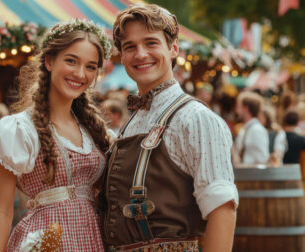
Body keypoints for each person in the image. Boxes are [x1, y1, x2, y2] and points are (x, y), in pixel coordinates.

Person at [102, 4, 238, 251]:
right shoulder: (133, 119)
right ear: (121, 56)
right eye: (130, 46)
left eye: (151, 43)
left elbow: (222, 210)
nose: (140, 54)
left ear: (173, 48)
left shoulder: (195, 118)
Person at [0, 19, 113, 251]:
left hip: (93, 241)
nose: (80, 73)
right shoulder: (21, 129)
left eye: (91, 66)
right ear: (49, 61)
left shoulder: (93, 130)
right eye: (71, 61)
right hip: (45, 241)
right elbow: (3, 211)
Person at [234, 91, 269, 165]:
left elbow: (262, 159)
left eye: (238, 107)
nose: (236, 111)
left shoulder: (257, 130)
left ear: (246, 108)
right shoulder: (244, 130)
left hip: (253, 175)